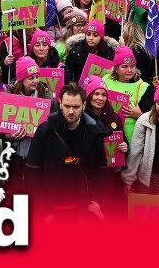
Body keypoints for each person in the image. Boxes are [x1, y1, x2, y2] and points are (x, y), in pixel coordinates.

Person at [25, 83, 108, 220]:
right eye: (67, 106)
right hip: (51, 208)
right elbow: (32, 172)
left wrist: (95, 201)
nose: (70, 111)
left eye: (75, 107)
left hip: (82, 207)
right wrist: (43, 209)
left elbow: (101, 170)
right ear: (60, 103)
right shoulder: (45, 130)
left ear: (84, 104)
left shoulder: (94, 132)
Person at [102, 46, 153, 142]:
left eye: (132, 66)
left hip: (133, 138)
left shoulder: (144, 87)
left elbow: (154, 116)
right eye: (124, 66)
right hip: (108, 135)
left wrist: (140, 115)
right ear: (116, 69)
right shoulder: (106, 80)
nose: (129, 70)